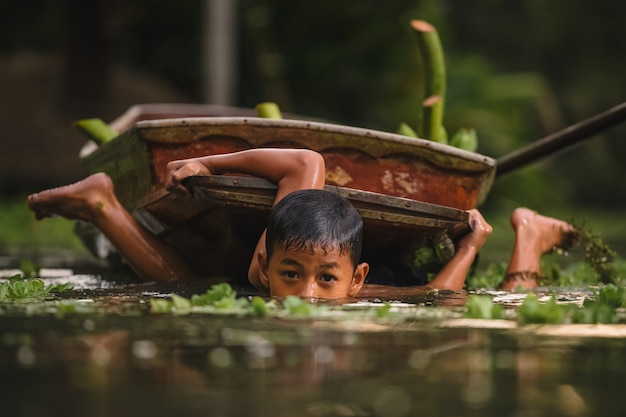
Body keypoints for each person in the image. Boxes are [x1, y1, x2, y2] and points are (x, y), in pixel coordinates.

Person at [27, 148, 574, 298]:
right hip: (256, 260)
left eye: (325, 280)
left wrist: (472, 244)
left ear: (354, 280)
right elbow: (305, 162)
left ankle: (530, 232)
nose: (304, 296)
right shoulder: (271, 253)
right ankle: (101, 203)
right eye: (291, 275)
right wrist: (206, 164)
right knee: (194, 285)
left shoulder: (360, 294)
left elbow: (439, 295)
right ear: (265, 261)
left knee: (517, 303)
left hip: (371, 264)